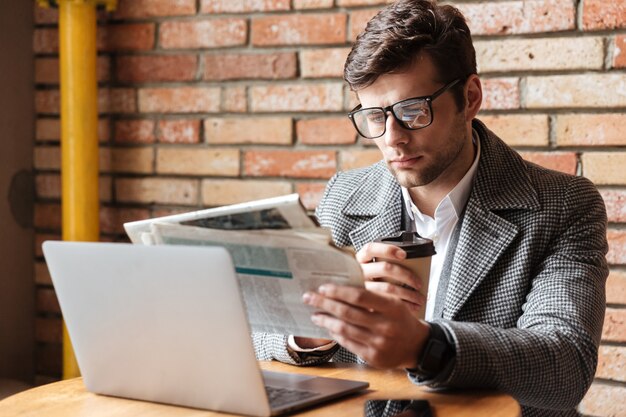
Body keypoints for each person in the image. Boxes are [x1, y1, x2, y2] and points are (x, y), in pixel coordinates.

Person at [253, 1, 608, 416]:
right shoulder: (345, 196)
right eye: (373, 116)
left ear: (470, 97)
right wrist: (321, 329)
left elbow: (564, 365)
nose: (392, 138)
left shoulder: (563, 205)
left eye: (412, 111)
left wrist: (424, 346)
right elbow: (262, 330)